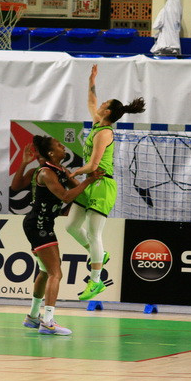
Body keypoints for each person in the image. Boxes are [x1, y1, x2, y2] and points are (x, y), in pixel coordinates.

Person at [67, 64, 145, 300]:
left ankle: (96, 282)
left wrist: (73, 173)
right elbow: (92, 101)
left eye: (104, 104)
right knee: (71, 227)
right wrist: (92, 80)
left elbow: (93, 165)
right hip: (91, 182)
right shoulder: (96, 123)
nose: (99, 104)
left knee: (94, 234)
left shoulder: (104, 133)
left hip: (102, 184)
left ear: (108, 111)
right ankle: (99, 255)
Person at [21, 135, 104, 336]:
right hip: (38, 225)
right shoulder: (46, 173)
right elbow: (66, 196)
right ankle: (48, 321)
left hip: (42, 224)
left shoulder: (60, 170)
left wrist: (90, 179)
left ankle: (33, 317)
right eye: (59, 145)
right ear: (51, 153)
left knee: (45, 271)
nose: (63, 147)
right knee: (55, 273)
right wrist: (89, 180)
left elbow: (77, 189)